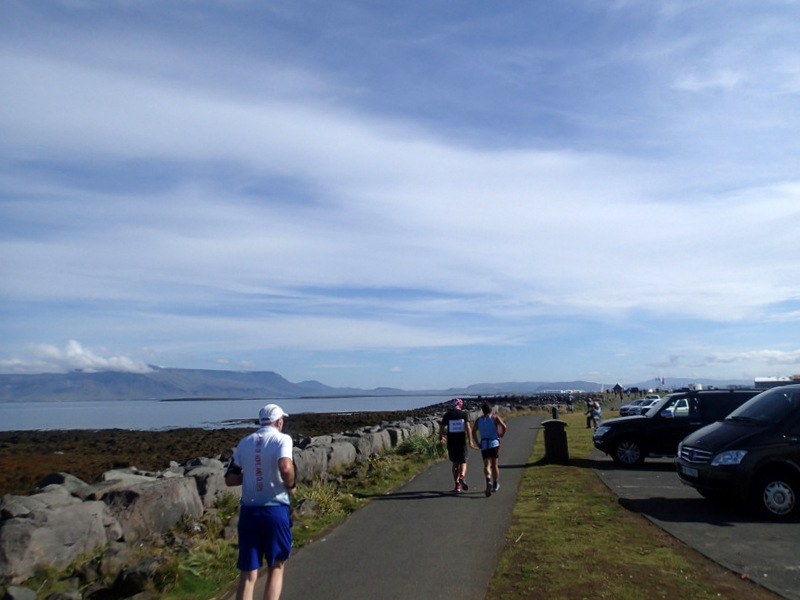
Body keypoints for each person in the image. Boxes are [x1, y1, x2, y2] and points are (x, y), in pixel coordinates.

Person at [225, 404, 297, 600]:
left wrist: (250, 477)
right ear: (279, 421)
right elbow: (285, 467)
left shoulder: (244, 443)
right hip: (275, 509)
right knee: (276, 566)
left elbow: (230, 479)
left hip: (249, 512)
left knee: (248, 574)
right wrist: (290, 484)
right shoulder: (283, 439)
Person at [438, 398, 476, 492]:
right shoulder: (464, 414)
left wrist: (440, 437)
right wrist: (470, 441)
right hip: (461, 441)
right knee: (463, 461)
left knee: (455, 463)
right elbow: (468, 428)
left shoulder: (448, 414)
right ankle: (462, 477)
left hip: (451, 441)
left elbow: (442, 426)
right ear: (461, 405)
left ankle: (457, 485)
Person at [472, 402, 508, 497]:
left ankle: (488, 480)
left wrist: (477, 442)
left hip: (484, 444)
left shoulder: (479, 420)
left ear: (482, 411)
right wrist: (501, 435)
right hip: (494, 443)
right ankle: (495, 484)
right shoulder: (495, 418)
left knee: (486, 465)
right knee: (494, 464)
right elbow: (504, 427)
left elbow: (473, 431)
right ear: (491, 410)